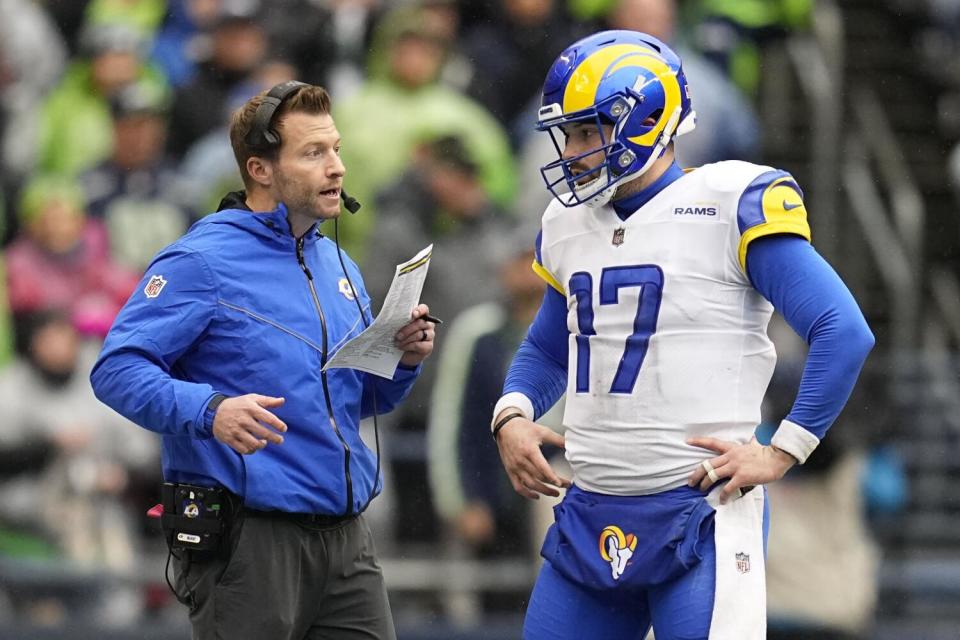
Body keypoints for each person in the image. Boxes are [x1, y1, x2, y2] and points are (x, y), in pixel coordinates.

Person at [490, 30, 875, 639]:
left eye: (589, 131)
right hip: (588, 509)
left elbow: (842, 329)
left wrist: (784, 450)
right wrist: (512, 414)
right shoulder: (566, 223)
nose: (574, 151)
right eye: (570, 134)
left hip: (701, 513)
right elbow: (546, 345)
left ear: (644, 123)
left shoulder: (729, 202)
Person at [91, 81, 437, 640]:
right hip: (250, 544)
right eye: (313, 153)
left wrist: (402, 359)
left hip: (347, 542)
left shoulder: (340, 265)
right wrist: (211, 410)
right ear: (260, 168)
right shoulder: (201, 260)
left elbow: (359, 399)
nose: (337, 168)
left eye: (336, 148)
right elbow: (116, 369)